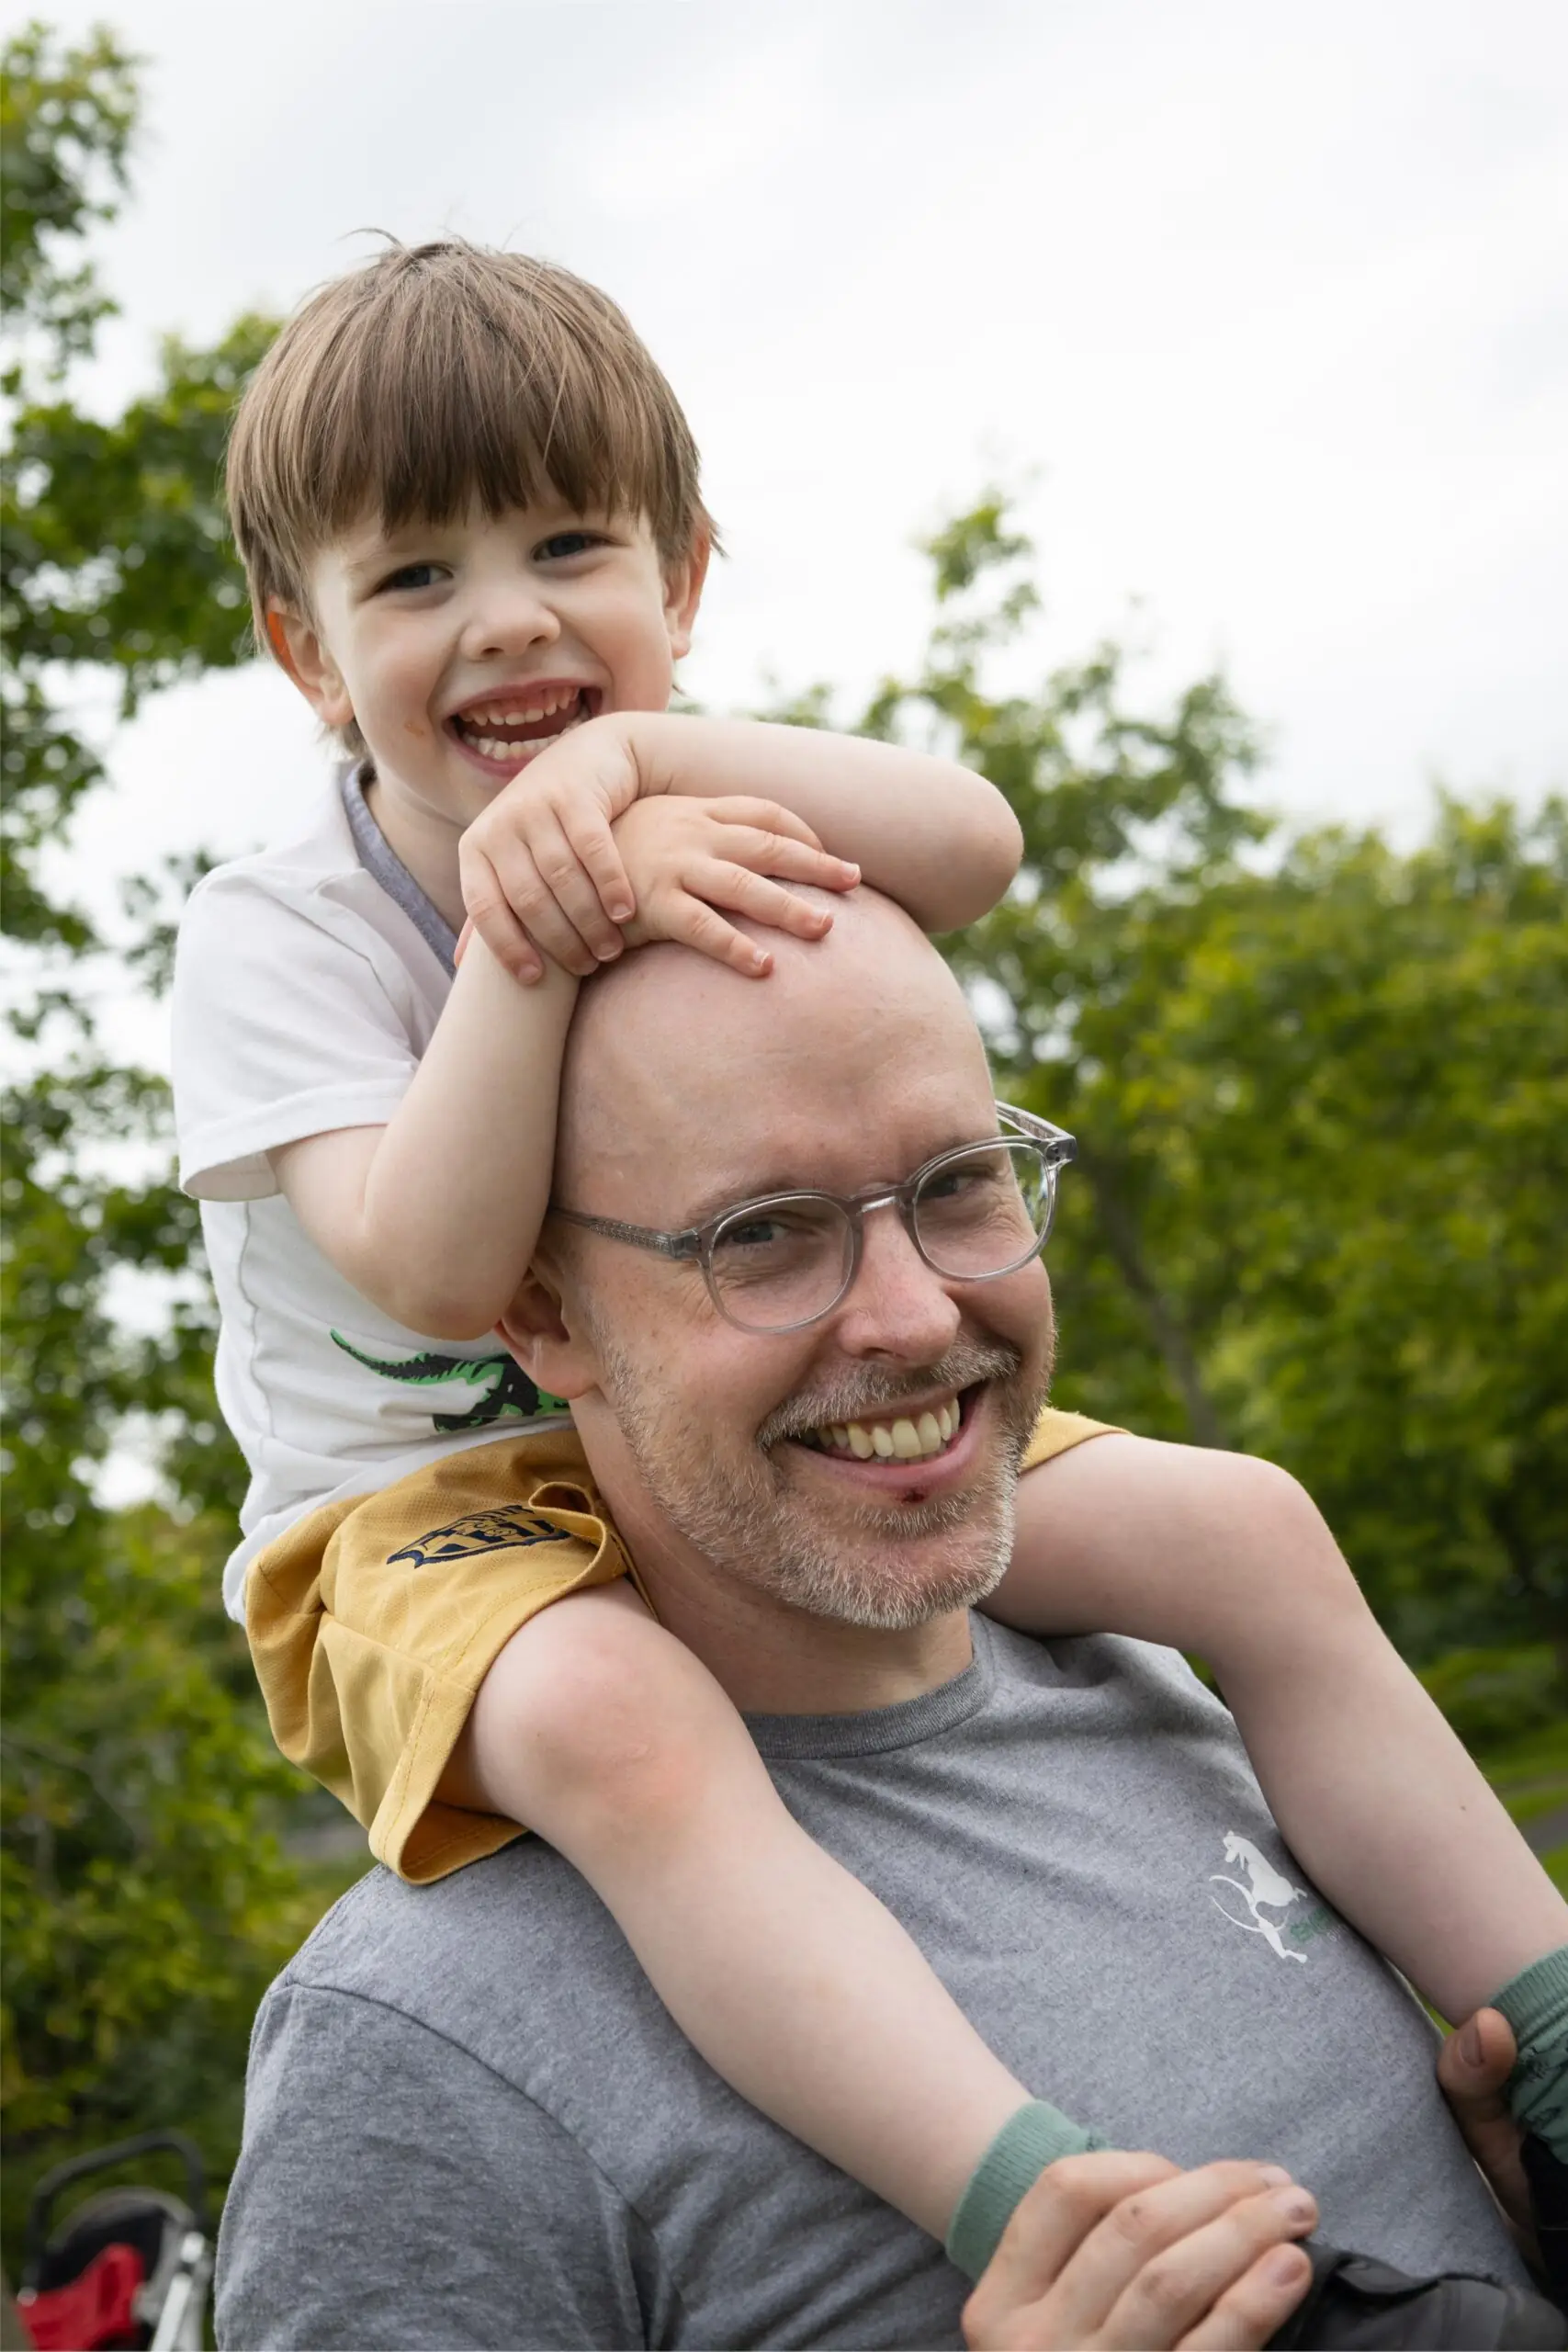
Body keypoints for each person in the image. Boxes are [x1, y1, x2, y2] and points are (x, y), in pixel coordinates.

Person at [174, 236, 1567, 2294]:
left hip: (729, 1393)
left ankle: (1541, 2025)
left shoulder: (670, 773)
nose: (508, 622)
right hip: (424, 1523)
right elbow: (437, 1263)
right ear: (305, 651)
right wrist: (543, 924)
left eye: (570, 542)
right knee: (637, 1735)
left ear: (689, 577)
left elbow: (973, 842)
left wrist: (632, 775)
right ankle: (1025, 2188)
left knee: (1245, 1526)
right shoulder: (275, 930)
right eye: (412, 580)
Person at [215, 894, 1560, 2348]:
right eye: (765, 1235)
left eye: (958, 1186)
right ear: (540, 1318)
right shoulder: (425, 2047)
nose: (915, 1318)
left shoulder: (1175, 1688)